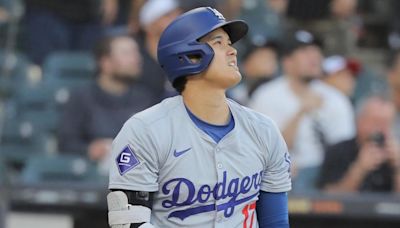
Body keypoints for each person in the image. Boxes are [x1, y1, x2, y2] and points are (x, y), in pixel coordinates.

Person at [107, 7, 291, 228]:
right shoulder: (145, 130)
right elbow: (128, 225)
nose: (232, 51)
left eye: (230, 44)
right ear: (189, 56)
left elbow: (276, 222)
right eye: (218, 43)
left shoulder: (263, 130)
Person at [249, 30, 355, 192]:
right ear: (287, 62)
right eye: (305, 52)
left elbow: (344, 150)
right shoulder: (266, 96)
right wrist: (301, 112)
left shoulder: (335, 99)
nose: (314, 57)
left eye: (316, 51)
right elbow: (261, 152)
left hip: (325, 176)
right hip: (283, 177)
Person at [58, 35, 156, 167]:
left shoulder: (145, 98)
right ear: (106, 63)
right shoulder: (82, 96)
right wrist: (89, 149)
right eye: (127, 53)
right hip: (90, 174)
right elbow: (66, 142)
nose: (137, 59)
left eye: (136, 53)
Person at [318, 96, 400, 192]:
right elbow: (329, 200)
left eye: (386, 123)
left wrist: (397, 166)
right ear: (359, 121)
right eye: (375, 122)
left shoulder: (395, 154)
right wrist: (359, 169)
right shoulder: (338, 151)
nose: (380, 129)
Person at [137, 0, 182, 100]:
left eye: (178, 14)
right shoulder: (136, 58)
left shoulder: (187, 54)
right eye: (168, 15)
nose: (176, 19)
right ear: (149, 25)